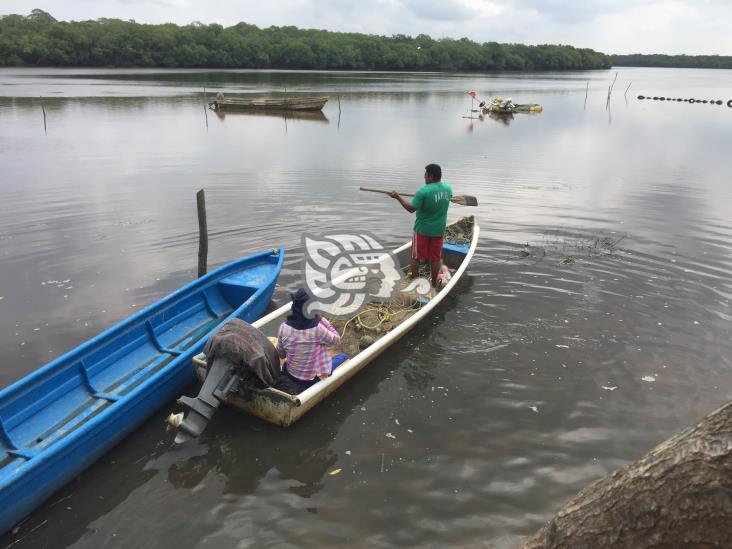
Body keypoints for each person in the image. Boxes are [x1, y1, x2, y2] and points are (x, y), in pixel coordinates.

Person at [389, 163, 452, 289]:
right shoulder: (448, 189)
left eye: (425, 175)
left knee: (416, 257)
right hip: (438, 230)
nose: (424, 177)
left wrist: (398, 197)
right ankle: (433, 285)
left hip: (422, 230)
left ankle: (414, 283)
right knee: (436, 258)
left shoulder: (423, 191)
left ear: (431, 176)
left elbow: (411, 209)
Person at [276, 288, 341, 389]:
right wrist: (322, 319)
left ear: (295, 306)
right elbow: (336, 340)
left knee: (286, 363)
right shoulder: (317, 329)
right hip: (310, 380)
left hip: (291, 374)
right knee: (343, 357)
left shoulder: (283, 327)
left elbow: (281, 354)